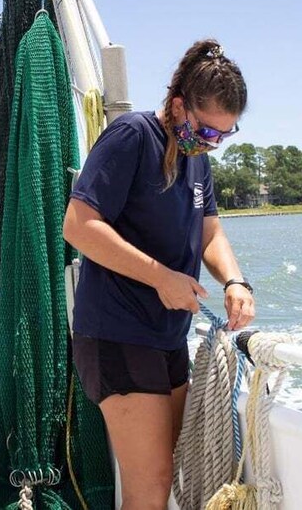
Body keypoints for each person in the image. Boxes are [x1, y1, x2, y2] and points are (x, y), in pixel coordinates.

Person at [62, 38, 256, 510]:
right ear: (177, 106)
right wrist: (160, 277)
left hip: (166, 338)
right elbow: (78, 226)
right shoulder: (132, 136)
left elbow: (211, 233)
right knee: (150, 488)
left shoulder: (197, 162)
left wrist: (234, 280)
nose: (210, 143)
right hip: (118, 334)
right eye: (206, 131)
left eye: (222, 137)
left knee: (163, 474)